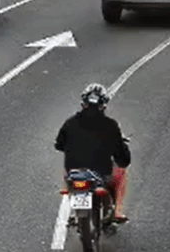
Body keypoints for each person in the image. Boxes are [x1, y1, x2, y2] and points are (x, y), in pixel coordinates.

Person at [55, 83, 131, 223]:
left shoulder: (70, 123)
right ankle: (117, 211)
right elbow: (123, 159)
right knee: (120, 173)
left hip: (74, 173)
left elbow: (59, 145)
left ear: (83, 103)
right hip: (101, 173)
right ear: (103, 105)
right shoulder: (110, 125)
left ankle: (73, 205)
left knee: (69, 168)